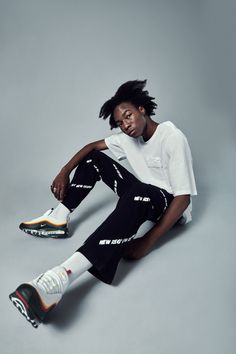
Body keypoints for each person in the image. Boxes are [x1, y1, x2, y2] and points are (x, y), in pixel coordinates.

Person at [9, 80, 197, 328]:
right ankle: (58, 218)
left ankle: (59, 279)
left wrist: (147, 243)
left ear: (142, 109)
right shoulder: (128, 138)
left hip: (169, 206)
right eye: (120, 122)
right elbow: (92, 147)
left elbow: (183, 199)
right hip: (142, 196)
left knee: (139, 192)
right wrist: (64, 171)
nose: (125, 125)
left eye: (128, 116)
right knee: (94, 159)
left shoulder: (172, 137)